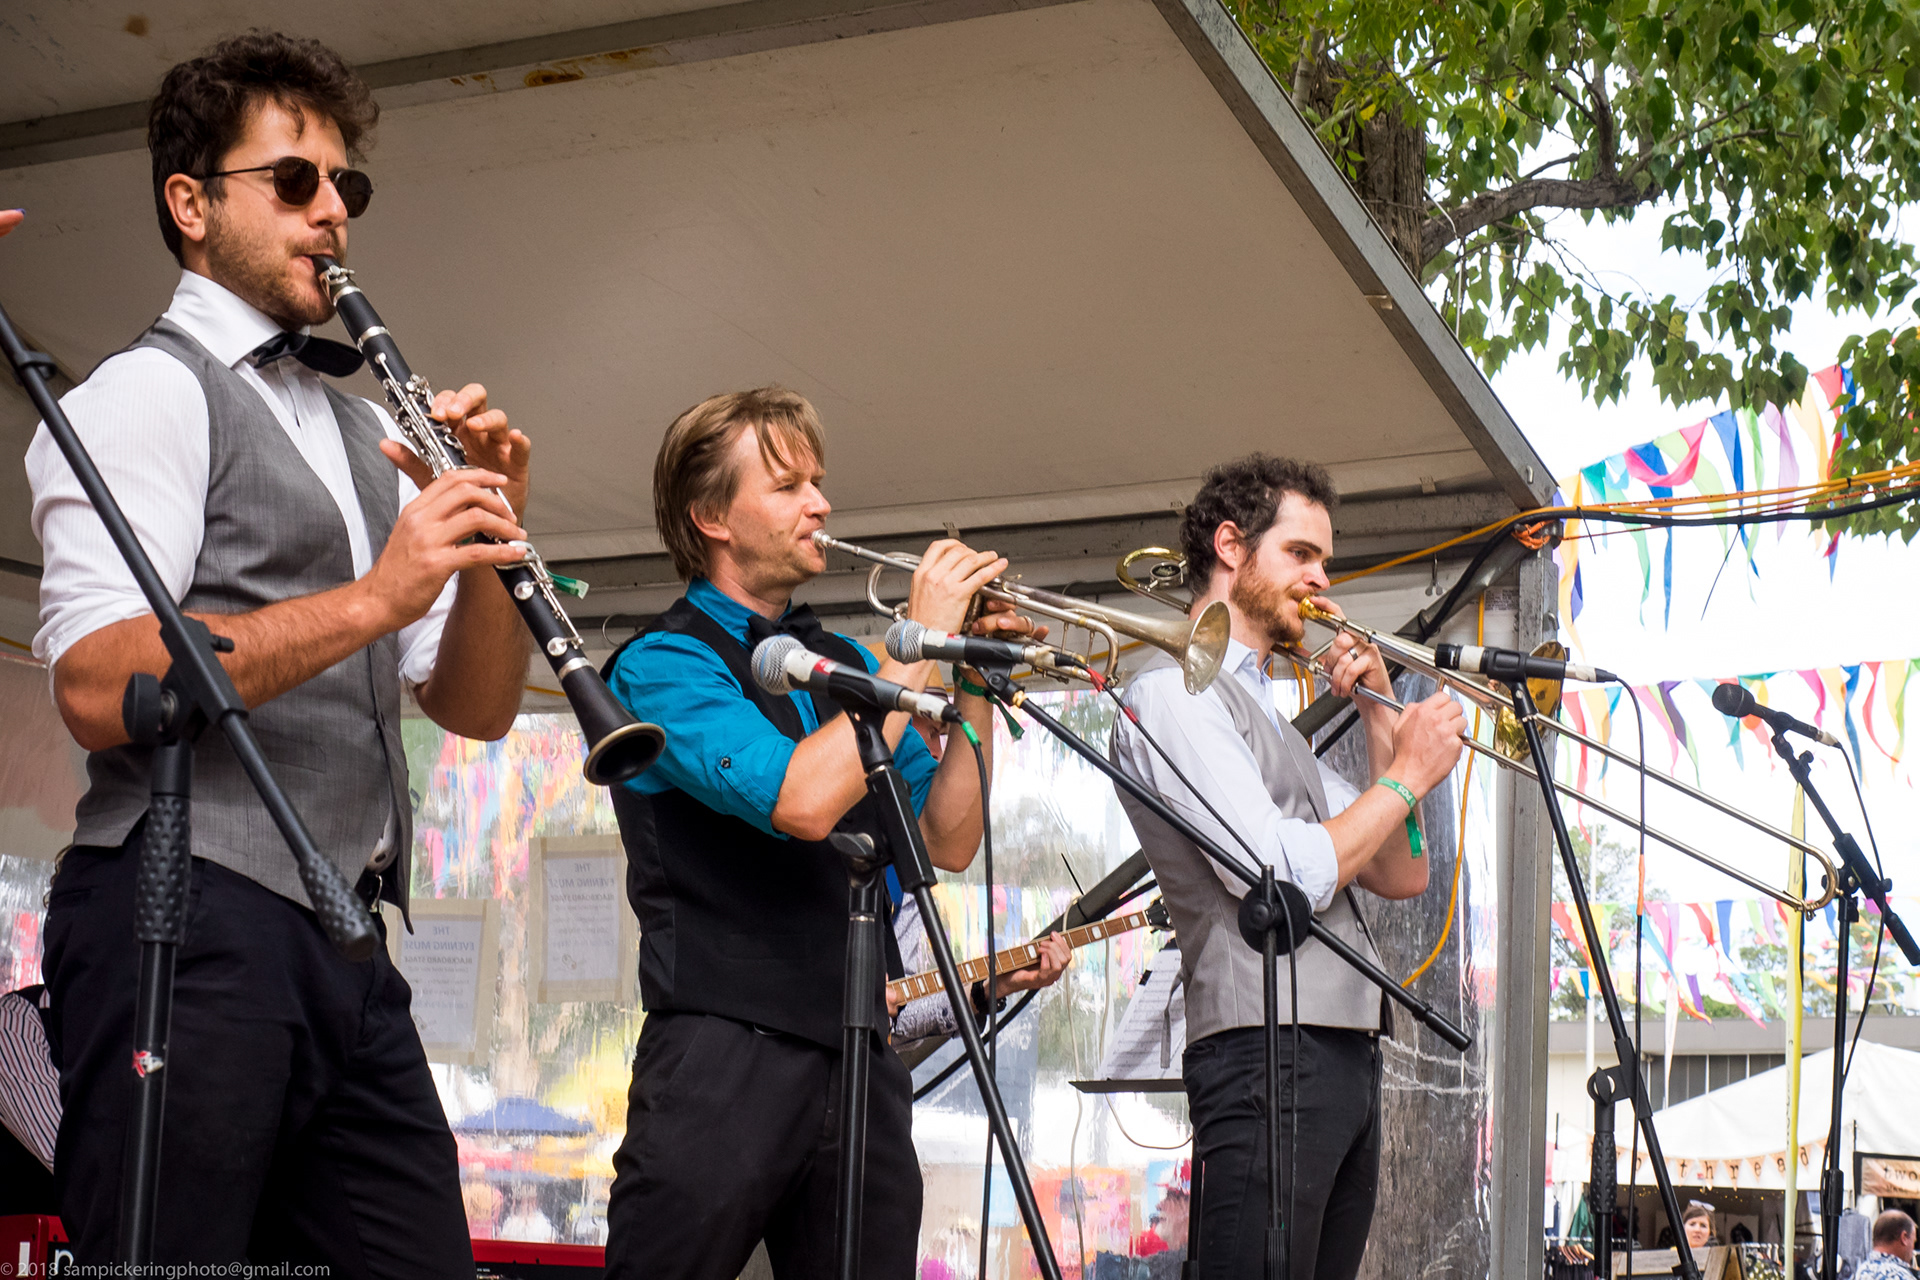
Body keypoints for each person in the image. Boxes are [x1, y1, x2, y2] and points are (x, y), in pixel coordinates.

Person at [25, 32, 532, 1269]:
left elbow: (472, 706)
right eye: (294, 180)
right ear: (191, 204)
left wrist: (497, 537)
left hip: (346, 938)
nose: (331, 210)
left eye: (346, 186)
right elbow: (97, 680)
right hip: (182, 915)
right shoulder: (144, 393)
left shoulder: (365, 431)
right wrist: (375, 595)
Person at [600, 386, 1041, 1278]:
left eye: (819, 482)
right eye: (789, 486)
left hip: (861, 1052)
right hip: (724, 1050)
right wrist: (923, 636)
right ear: (712, 517)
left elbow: (947, 839)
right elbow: (801, 800)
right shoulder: (662, 662)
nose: (822, 505)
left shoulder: (847, 663)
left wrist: (972, 679)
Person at [1109, 454, 1465, 1280]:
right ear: (1231, 547)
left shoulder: (1269, 717)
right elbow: (1274, 874)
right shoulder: (1172, 691)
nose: (1321, 580)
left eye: (1323, 560)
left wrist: (1380, 716)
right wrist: (1409, 775)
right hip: (1263, 1051)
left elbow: (1400, 873)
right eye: (1301, 554)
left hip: (1337, 1053)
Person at [1857, 1210, 1919, 1279]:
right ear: (1904, 1238)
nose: (1913, 1249)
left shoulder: (1860, 1271)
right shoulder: (1901, 1276)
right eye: (1913, 1242)